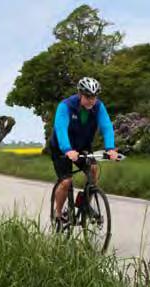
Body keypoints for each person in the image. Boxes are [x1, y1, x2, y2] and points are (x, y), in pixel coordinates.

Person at [49, 77, 118, 224]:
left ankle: (85, 204)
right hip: (61, 148)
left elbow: (106, 126)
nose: (91, 100)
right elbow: (60, 129)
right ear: (80, 94)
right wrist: (67, 150)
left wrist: (110, 148)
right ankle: (58, 213)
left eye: (94, 97)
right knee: (66, 181)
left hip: (82, 147)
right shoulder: (66, 106)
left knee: (93, 169)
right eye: (88, 97)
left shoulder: (98, 107)